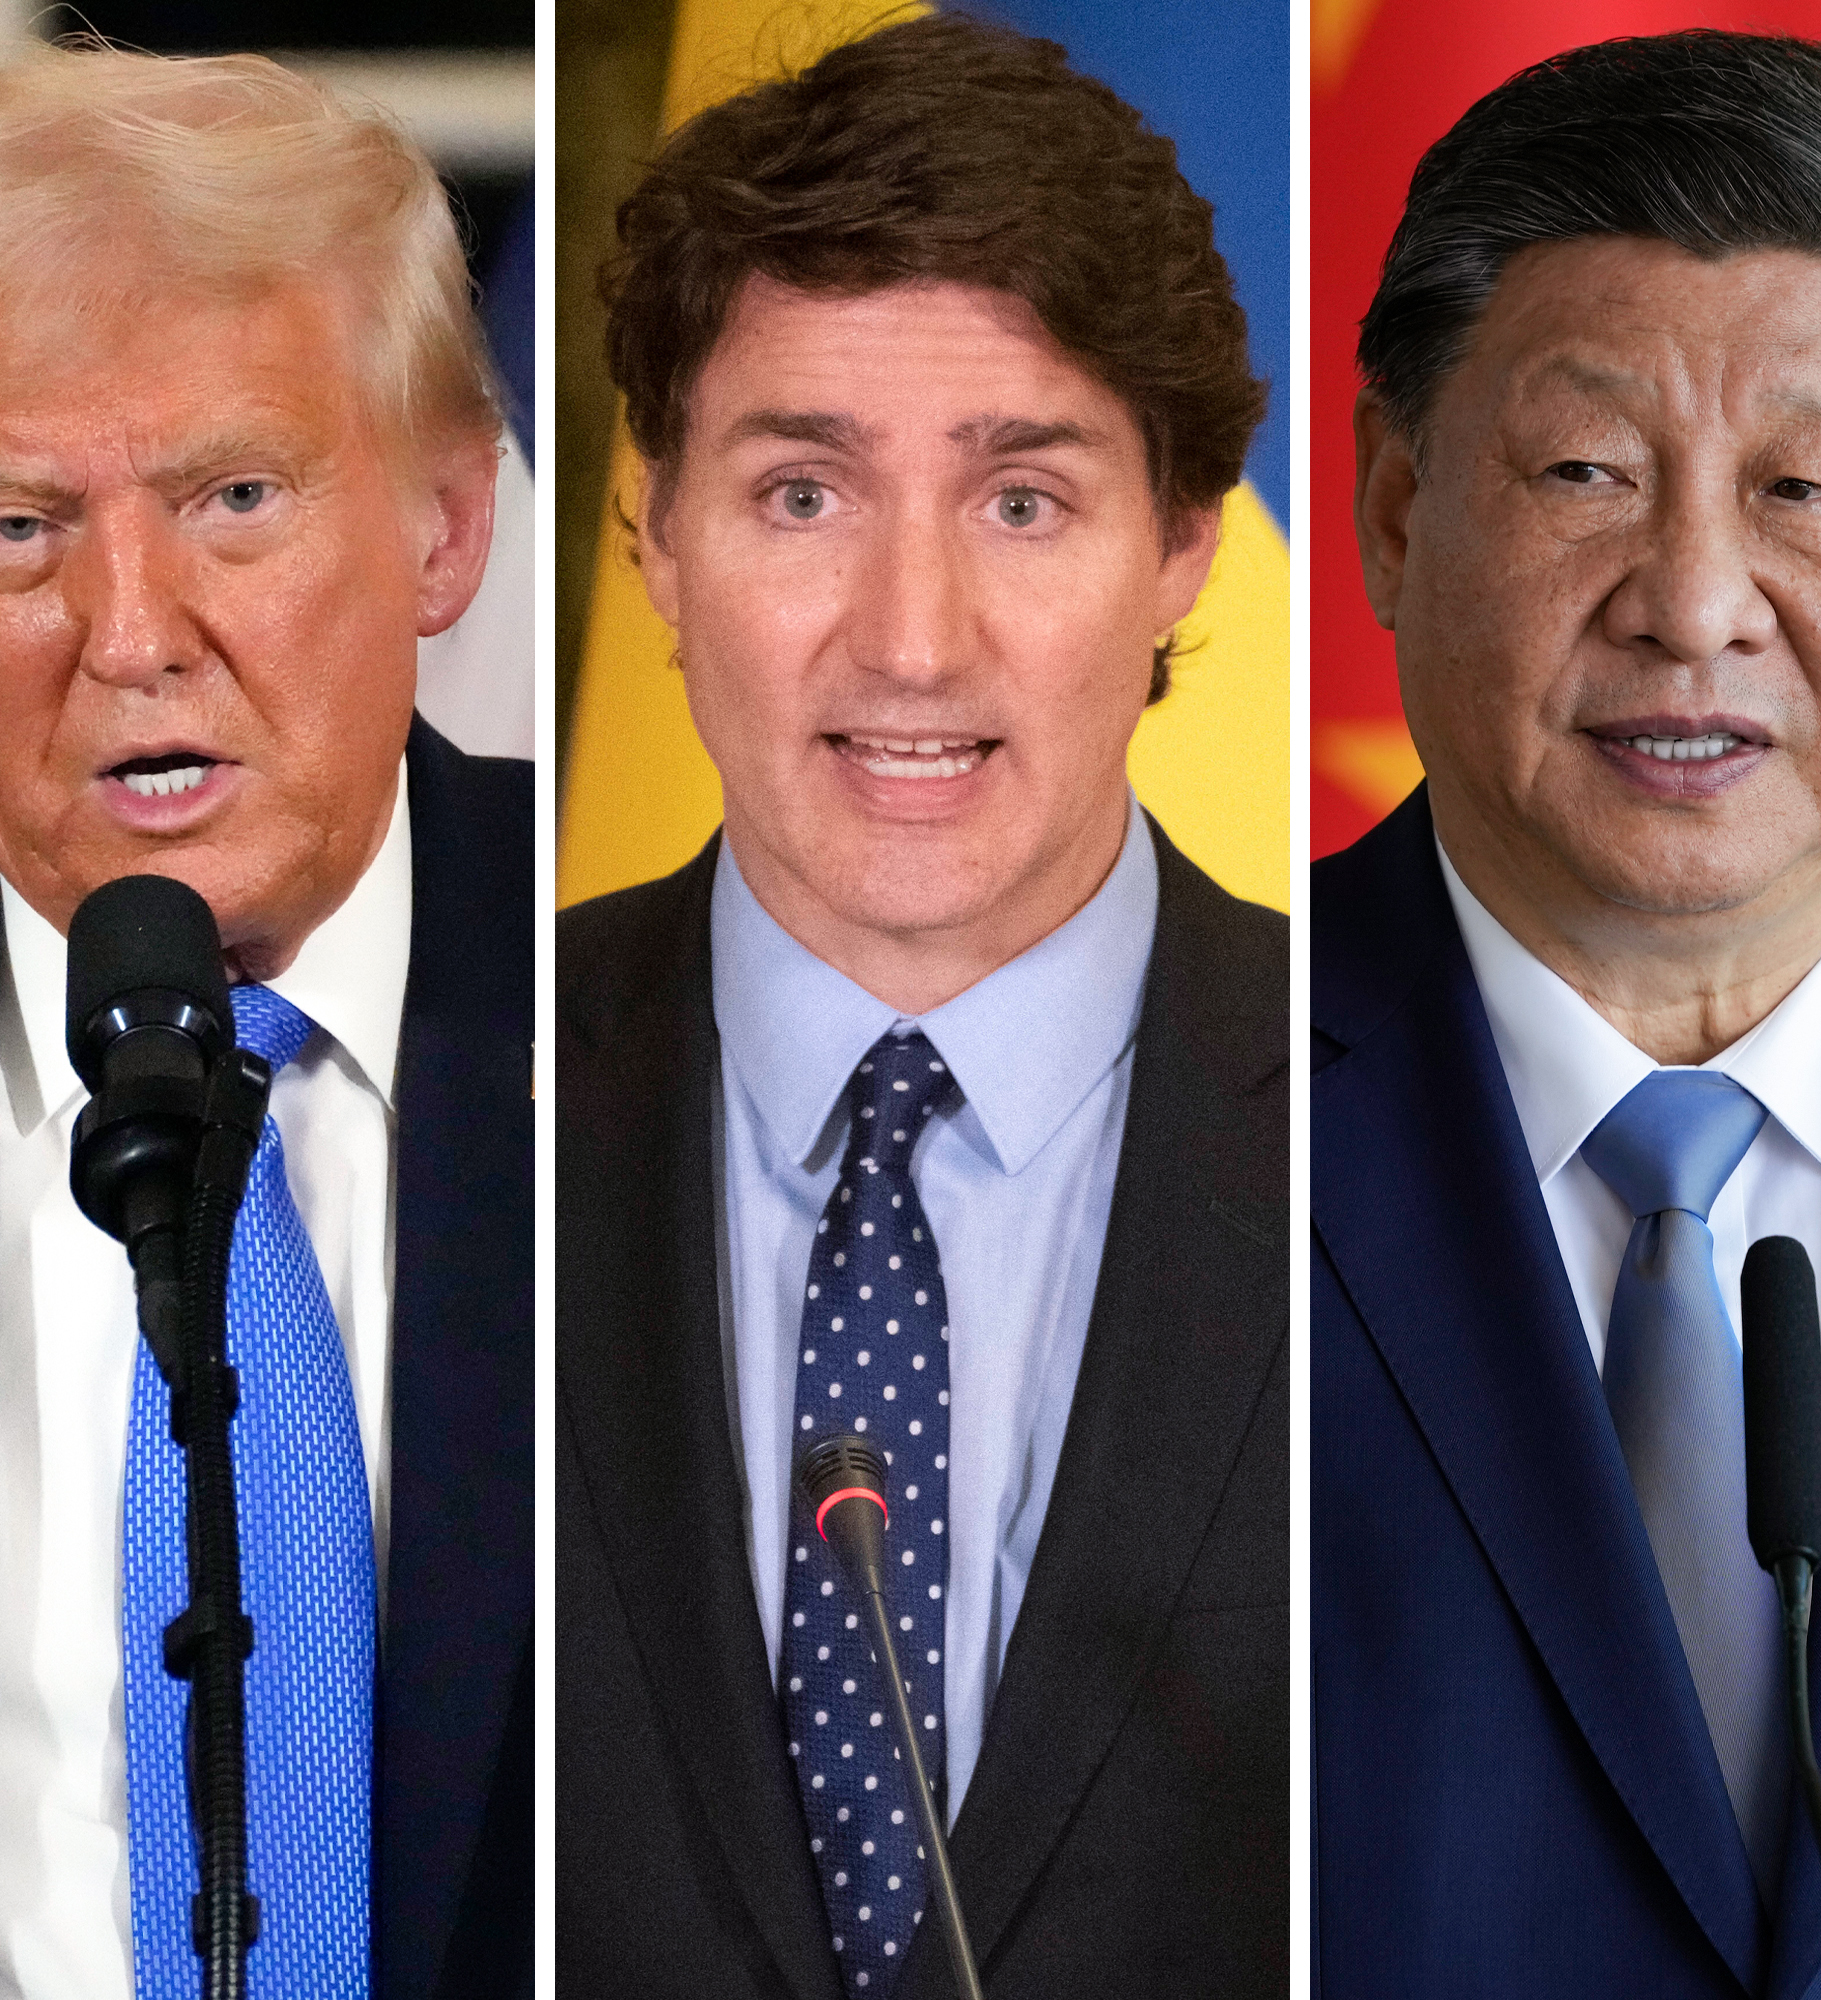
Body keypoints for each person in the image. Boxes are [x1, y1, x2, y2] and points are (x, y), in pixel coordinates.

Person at [556, 17, 1285, 1998]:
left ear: (1180, 552)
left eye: (1021, 502)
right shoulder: (444, 1095)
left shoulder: (1414, 1116)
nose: (909, 635)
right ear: (655, 541)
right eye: (803, 493)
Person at [1312, 31, 1821, 1996]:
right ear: (1393, 510)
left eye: (1804, 486)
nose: (1697, 598)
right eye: (1586, 475)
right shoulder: (1166, 1100)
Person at [0, 45, 530, 2000]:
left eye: (234, 494)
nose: (131, 631)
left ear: (447, 526)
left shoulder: (684, 996)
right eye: (20, 525)